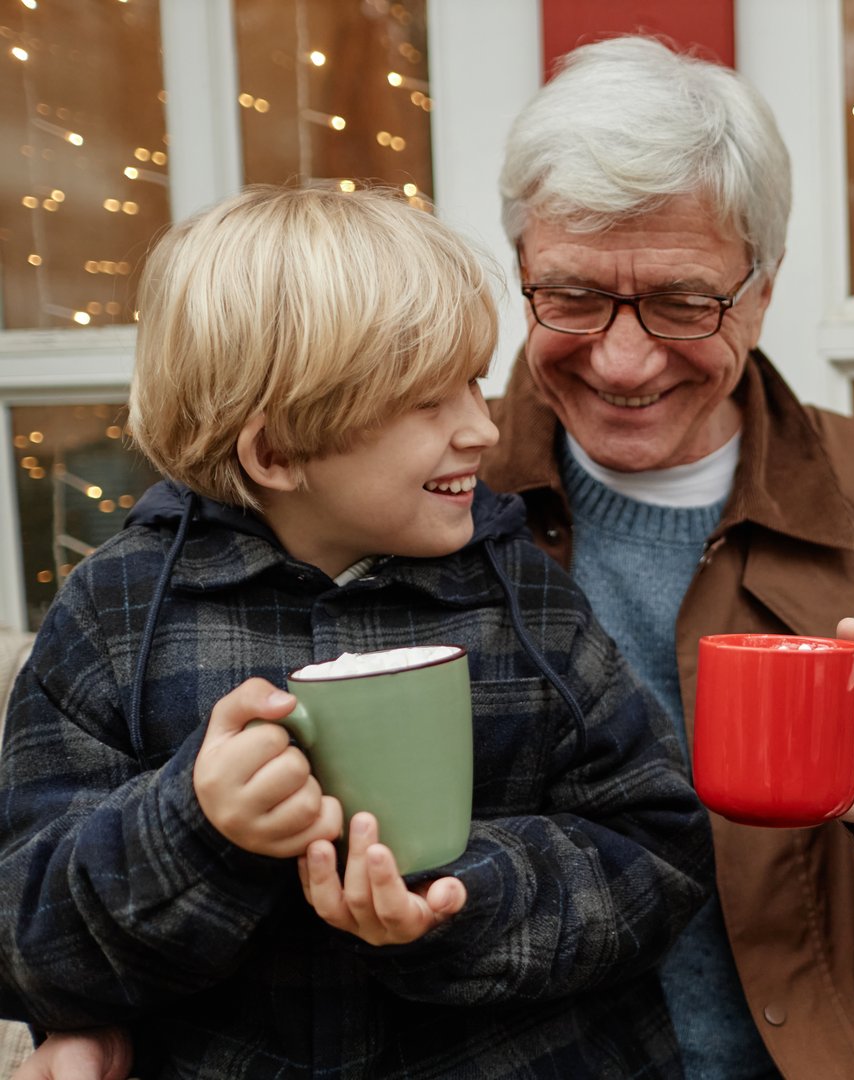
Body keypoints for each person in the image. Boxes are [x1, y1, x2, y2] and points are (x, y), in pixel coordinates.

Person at [17, 35, 854, 1079]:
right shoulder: (419, 496)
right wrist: (90, 1000)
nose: (625, 358)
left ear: (766, 290)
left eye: (685, 302)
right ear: (521, 272)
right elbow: (42, 895)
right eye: (574, 296)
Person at [0, 186, 711, 1078]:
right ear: (277, 453)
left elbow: (659, 849)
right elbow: (25, 942)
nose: (482, 430)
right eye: (428, 403)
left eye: (475, 384)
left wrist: (460, 892)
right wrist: (194, 825)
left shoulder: (521, 592)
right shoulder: (117, 618)